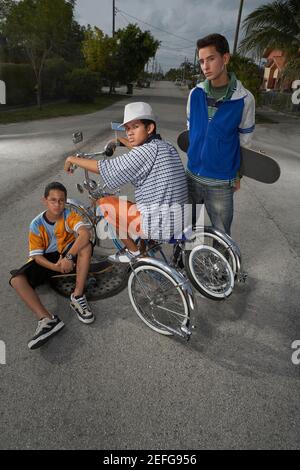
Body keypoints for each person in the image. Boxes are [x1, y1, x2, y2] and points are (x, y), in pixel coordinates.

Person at [64, 102, 189, 262]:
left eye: (135, 127)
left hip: (160, 225)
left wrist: (72, 158)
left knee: (105, 204)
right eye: (127, 128)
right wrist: (120, 141)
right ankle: (145, 248)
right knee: (137, 205)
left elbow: (107, 168)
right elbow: (139, 149)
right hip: (179, 218)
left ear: (149, 128)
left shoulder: (145, 151)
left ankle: (134, 253)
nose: (130, 132)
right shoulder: (164, 146)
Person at [9, 182, 94, 350]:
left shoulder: (69, 215)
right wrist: (56, 267)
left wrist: (69, 257)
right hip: (49, 259)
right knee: (16, 280)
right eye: (53, 200)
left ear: (65, 201)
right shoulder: (36, 224)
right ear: (45, 201)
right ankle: (47, 320)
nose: (57, 204)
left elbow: (85, 233)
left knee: (86, 245)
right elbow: (37, 257)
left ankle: (77, 296)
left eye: (61, 200)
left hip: (68, 253)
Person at [186, 33, 255, 235]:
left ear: (225, 58)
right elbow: (191, 128)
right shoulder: (195, 93)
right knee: (189, 229)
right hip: (192, 175)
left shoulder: (244, 99)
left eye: (211, 59)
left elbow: (245, 140)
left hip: (221, 181)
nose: (205, 66)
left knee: (222, 234)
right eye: (201, 61)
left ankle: (221, 265)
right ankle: (186, 262)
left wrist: (238, 173)